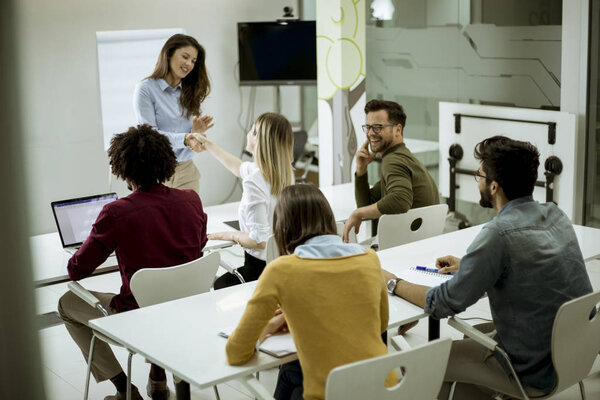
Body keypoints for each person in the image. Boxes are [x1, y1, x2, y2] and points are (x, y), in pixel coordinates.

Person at [383, 136, 593, 399]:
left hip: (530, 370)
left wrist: (393, 283)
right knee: (473, 338)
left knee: (428, 362)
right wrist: (471, 267)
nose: (477, 180)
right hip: (573, 352)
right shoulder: (555, 214)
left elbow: (442, 304)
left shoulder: (498, 234)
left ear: (494, 186)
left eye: (479, 174)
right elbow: (529, 265)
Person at [58, 125, 208, 400]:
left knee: (66, 304)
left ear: (122, 169)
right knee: (162, 292)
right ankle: (159, 376)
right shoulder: (191, 200)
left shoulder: (116, 212)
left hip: (138, 318)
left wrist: (101, 241)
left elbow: (77, 270)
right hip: (186, 312)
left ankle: (124, 389)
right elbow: (199, 246)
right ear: (167, 162)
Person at [225, 184, 395, 400]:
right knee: (290, 372)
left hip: (331, 393)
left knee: (291, 373)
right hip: (384, 388)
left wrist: (271, 325)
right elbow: (379, 326)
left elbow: (236, 353)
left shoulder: (281, 270)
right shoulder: (370, 259)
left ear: (282, 228)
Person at [194, 112, 294, 289]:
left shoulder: (255, 179)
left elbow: (259, 240)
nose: (249, 133)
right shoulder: (285, 174)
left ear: (261, 142)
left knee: (217, 287)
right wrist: (207, 143)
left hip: (259, 271)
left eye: (254, 131)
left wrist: (230, 235)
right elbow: (237, 167)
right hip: (284, 266)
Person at [342, 99, 439, 242]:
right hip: (420, 244)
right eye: (368, 127)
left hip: (403, 246)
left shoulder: (393, 160)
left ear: (397, 130)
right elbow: (367, 204)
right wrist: (361, 169)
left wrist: (358, 213)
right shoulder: (403, 156)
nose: (370, 133)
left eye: (377, 127)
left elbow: (399, 200)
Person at [133, 33, 214, 194]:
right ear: (169, 54)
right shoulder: (146, 89)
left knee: (191, 219)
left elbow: (188, 144)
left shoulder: (189, 92)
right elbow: (150, 136)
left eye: (193, 61)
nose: (189, 64)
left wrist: (195, 135)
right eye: (185, 57)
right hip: (156, 174)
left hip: (186, 172)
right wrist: (185, 139)